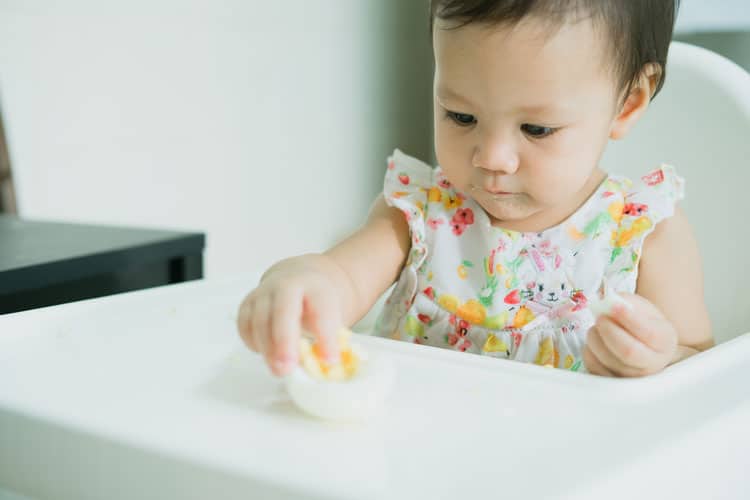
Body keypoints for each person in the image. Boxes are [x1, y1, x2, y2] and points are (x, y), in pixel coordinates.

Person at [237, 0, 713, 378]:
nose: (492, 158)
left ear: (628, 103)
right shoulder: (418, 214)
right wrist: (302, 286)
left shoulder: (643, 233)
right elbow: (338, 279)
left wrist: (658, 357)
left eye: (536, 128)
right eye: (461, 117)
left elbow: (702, 370)